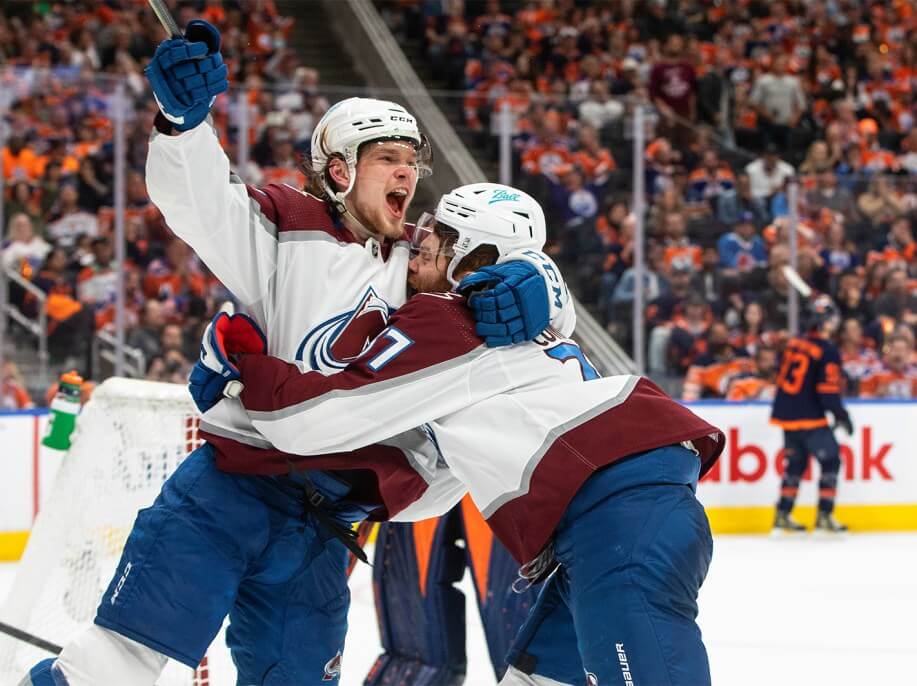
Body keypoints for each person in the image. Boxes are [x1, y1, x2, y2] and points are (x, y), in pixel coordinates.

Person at [23, 19, 571, 686]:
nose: (407, 171)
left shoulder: (422, 262)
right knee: (113, 666)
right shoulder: (286, 229)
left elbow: (519, 283)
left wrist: (538, 283)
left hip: (325, 528)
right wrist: (182, 126)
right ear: (340, 171)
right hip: (228, 493)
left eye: (411, 160)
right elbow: (200, 202)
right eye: (387, 157)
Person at [196, 184, 726, 686]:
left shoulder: (448, 317)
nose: (422, 243)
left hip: (617, 520)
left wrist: (243, 366)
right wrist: (542, 274)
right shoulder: (512, 317)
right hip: (613, 522)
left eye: (443, 236)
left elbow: (313, 421)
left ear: (475, 254)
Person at [771, 295, 853, 534]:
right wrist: (841, 415)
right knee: (831, 460)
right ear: (826, 321)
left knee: (795, 464)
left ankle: (783, 513)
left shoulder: (794, 343)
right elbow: (827, 391)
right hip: (810, 416)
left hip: (786, 415)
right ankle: (825, 515)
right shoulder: (827, 350)